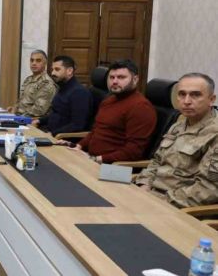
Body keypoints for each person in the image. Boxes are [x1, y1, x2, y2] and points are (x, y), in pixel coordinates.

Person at [134, 73, 218, 208]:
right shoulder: (179, 124)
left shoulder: (214, 133)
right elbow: (157, 161)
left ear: (211, 99)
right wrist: (145, 184)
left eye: (195, 95)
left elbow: (208, 189)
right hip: (152, 194)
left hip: (178, 207)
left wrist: (161, 201)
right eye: (182, 94)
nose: (187, 101)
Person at [60, 59, 157, 163]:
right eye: (111, 77)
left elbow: (133, 152)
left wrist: (97, 159)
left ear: (135, 79)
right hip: (94, 159)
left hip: (116, 167)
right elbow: (96, 132)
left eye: (121, 77)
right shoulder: (109, 100)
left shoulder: (141, 107)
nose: (114, 81)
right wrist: (78, 146)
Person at [33, 55, 91, 135]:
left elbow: (77, 125)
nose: (53, 73)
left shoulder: (79, 93)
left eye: (57, 69)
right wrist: (39, 121)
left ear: (69, 71)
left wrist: (52, 134)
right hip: (49, 131)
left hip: (61, 138)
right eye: (52, 69)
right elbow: (56, 113)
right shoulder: (63, 87)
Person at [8, 50, 57, 117]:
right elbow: (23, 100)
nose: (34, 63)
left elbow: (39, 110)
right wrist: (14, 109)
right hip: (20, 116)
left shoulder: (46, 83)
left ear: (45, 63)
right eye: (32, 60)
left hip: (31, 120)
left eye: (38, 61)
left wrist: (18, 116)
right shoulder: (28, 79)